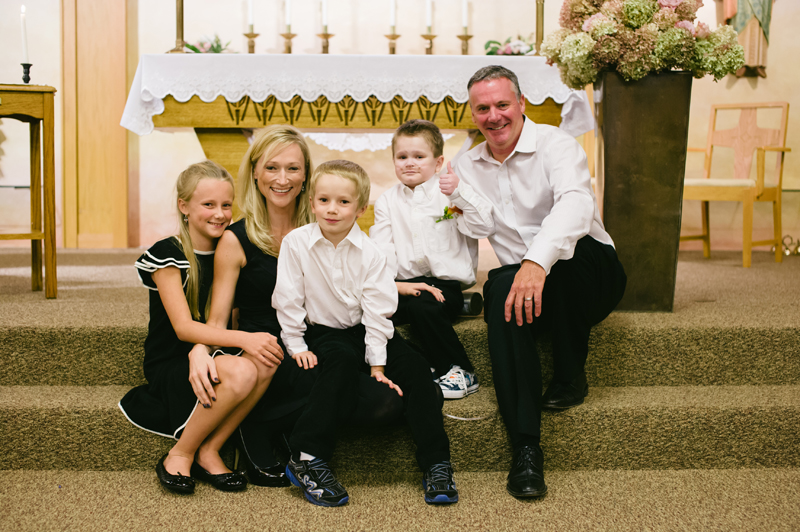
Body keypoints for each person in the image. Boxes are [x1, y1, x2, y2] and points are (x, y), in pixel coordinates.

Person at [452, 66, 627, 498]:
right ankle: (525, 449)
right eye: (482, 108)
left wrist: (537, 261)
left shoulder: (557, 145)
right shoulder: (465, 165)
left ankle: (571, 375)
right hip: (522, 287)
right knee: (498, 293)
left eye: (502, 105)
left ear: (521, 103)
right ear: (472, 114)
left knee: (563, 256)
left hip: (588, 273)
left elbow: (575, 205)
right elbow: (461, 227)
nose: (494, 116)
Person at [202, 125, 403, 487]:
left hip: (319, 340)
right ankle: (256, 425)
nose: (282, 178)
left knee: (383, 400)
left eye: (293, 168)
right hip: (265, 351)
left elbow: (356, 275)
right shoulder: (236, 239)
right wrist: (200, 351)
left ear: (307, 176)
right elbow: (217, 319)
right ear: (255, 172)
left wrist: (399, 284)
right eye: (272, 167)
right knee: (331, 384)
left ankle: (280, 423)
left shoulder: (324, 221)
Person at [274, 160, 457, 507]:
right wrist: (295, 343)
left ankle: (436, 463)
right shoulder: (296, 243)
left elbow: (377, 312)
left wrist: (378, 366)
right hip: (324, 333)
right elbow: (288, 297)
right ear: (311, 202)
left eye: (343, 202)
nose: (332, 209)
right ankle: (308, 456)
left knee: (417, 370)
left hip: (368, 329)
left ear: (360, 209)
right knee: (340, 362)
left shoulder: (373, 252)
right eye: (324, 200)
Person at [119, 160, 286, 495]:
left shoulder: (234, 246)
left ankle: (211, 449)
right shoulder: (169, 253)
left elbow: (232, 313)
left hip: (217, 347)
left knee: (267, 358)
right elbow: (182, 328)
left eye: (226, 205)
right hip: (172, 358)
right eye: (208, 205)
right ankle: (180, 453)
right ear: (184, 206)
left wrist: (229, 344)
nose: (220, 214)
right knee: (241, 369)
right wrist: (234, 342)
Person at [370, 119, 494, 399]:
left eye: (418, 156)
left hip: (442, 287)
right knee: (365, 312)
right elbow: (382, 249)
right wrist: (389, 287)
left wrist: (460, 195)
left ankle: (461, 370)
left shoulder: (450, 194)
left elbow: (484, 226)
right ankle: (420, 364)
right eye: (402, 157)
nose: (409, 163)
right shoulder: (388, 201)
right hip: (404, 286)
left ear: (438, 163)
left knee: (424, 308)